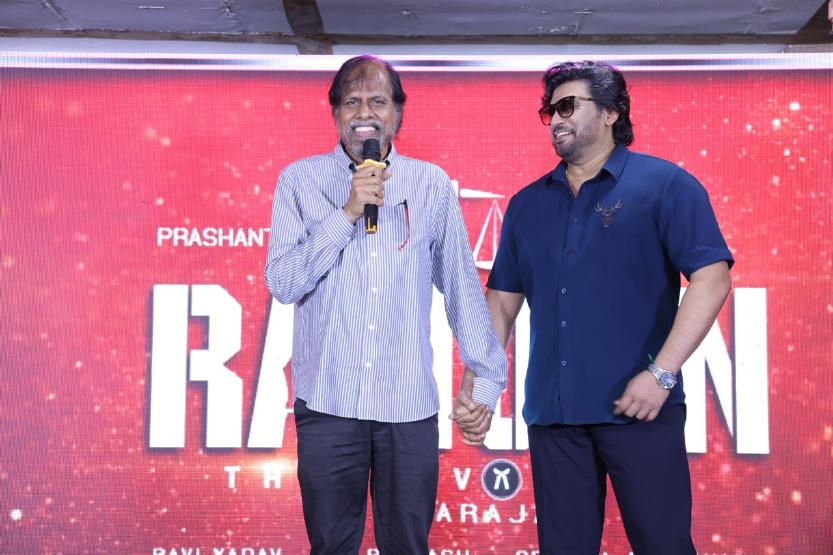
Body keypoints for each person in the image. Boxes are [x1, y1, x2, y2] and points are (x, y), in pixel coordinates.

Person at [484, 61, 733, 554]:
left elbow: (713, 278)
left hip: (641, 409)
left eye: (567, 106)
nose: (555, 119)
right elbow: (502, 301)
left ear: (611, 112)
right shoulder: (527, 204)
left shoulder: (665, 185)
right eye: (549, 111)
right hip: (554, 416)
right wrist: (481, 382)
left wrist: (661, 374)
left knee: (663, 546)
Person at [264, 55, 506, 554]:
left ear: (397, 113)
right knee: (331, 546)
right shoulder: (299, 181)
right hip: (329, 403)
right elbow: (284, 283)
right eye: (351, 102)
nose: (364, 114)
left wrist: (486, 382)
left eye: (377, 101)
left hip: (407, 405)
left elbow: (462, 287)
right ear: (335, 114)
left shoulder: (430, 184)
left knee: (408, 546)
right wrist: (348, 212)